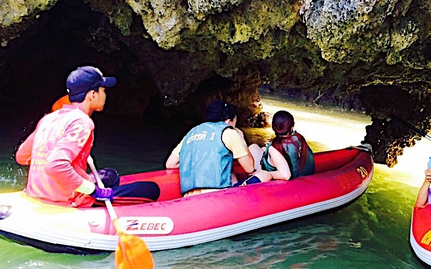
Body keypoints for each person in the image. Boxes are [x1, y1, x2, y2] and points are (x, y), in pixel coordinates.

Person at [16, 66, 160, 207]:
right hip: (68, 199)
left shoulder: (48, 118)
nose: (105, 95)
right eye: (103, 90)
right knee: (151, 189)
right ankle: (98, 204)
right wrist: (93, 191)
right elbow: (55, 165)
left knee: (110, 175)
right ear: (92, 95)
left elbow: (22, 157)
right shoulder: (83, 122)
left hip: (39, 192)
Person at [166, 100, 263, 195]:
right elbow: (249, 168)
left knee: (231, 172)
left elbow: (170, 164)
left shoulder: (193, 131)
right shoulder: (229, 132)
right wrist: (241, 139)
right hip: (217, 196)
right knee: (265, 175)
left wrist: (197, 162)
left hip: (189, 196)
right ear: (229, 121)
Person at [251, 110, 315, 182]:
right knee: (263, 148)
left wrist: (268, 174)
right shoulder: (299, 138)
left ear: (272, 127)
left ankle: (251, 177)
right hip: (304, 177)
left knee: (253, 148)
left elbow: (285, 175)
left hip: (288, 183)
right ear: (292, 126)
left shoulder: (274, 149)